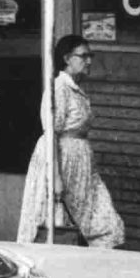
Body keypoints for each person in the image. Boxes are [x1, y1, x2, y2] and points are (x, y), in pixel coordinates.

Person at [15, 35, 125, 248]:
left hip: (81, 168)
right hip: (60, 163)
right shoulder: (59, 88)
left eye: (90, 56)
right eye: (83, 56)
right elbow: (52, 133)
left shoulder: (75, 89)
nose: (89, 61)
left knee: (107, 225)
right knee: (50, 224)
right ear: (67, 58)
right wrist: (55, 177)